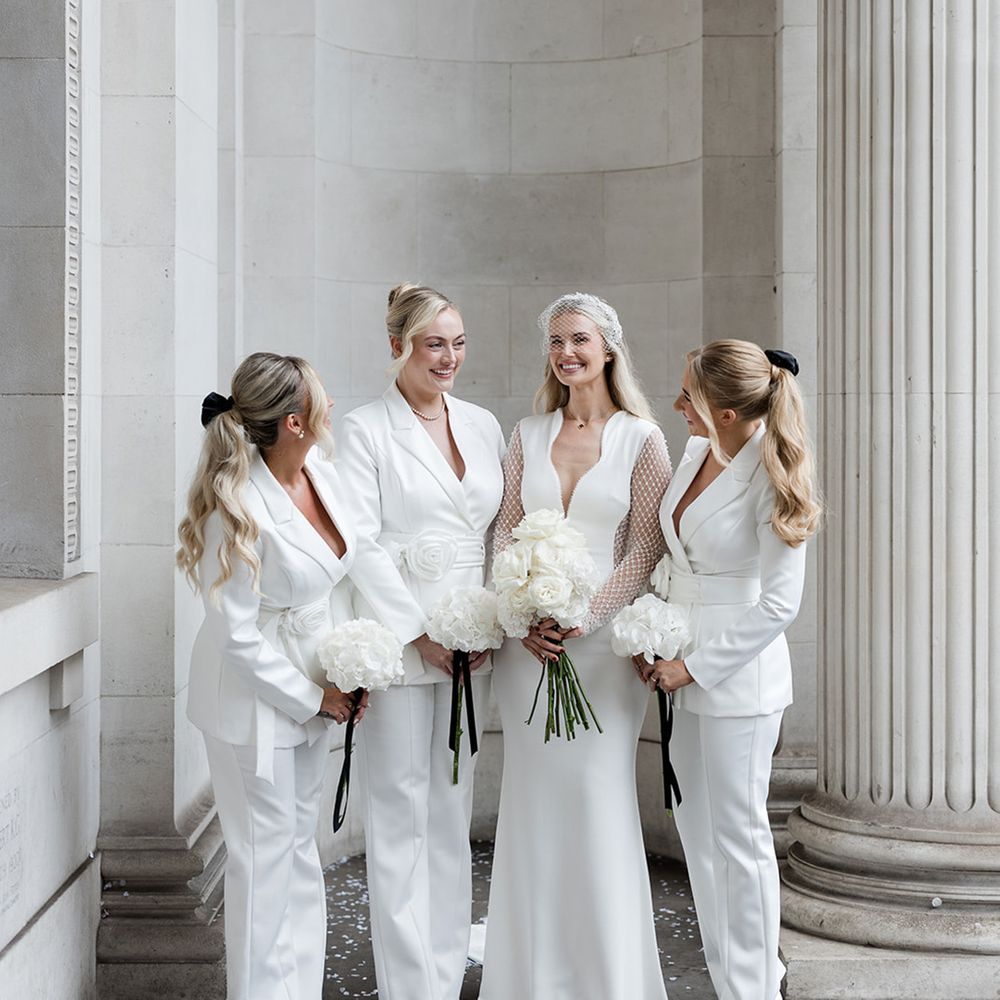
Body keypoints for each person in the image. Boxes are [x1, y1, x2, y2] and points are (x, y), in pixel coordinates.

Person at [178, 352, 424, 1000]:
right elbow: (235, 635)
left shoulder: (321, 470)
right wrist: (315, 695)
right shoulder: (232, 507)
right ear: (293, 421)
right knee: (263, 870)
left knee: (298, 858)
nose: (333, 406)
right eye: (321, 398)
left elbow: (353, 563)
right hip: (253, 705)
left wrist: (364, 658)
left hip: (319, 695)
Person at [479, 292, 672, 1000]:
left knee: (596, 798)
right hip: (528, 648)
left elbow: (646, 544)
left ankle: (606, 978)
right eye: (556, 341)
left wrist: (583, 613)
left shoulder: (642, 438)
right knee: (532, 800)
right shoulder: (526, 433)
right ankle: (529, 977)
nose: (566, 353)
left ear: (608, 348)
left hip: (598, 650)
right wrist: (522, 606)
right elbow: (503, 529)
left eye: (579, 339)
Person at [336, 284, 505, 1000]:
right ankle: (409, 986)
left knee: (450, 812)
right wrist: (418, 631)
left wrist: (496, 616)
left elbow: (499, 531)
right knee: (401, 812)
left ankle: (442, 969)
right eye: (435, 343)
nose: (450, 357)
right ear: (397, 345)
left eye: (459, 342)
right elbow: (360, 543)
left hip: (477, 640)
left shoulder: (483, 423)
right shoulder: (364, 429)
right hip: (405, 640)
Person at [641, 339, 820, 1000]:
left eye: (688, 393)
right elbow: (678, 556)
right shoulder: (695, 451)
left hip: (736, 680)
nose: (677, 403)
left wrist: (695, 666)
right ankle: (729, 979)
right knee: (698, 836)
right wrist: (652, 626)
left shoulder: (773, 473)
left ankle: (755, 988)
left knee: (738, 840)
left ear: (721, 409)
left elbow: (780, 603)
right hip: (675, 662)